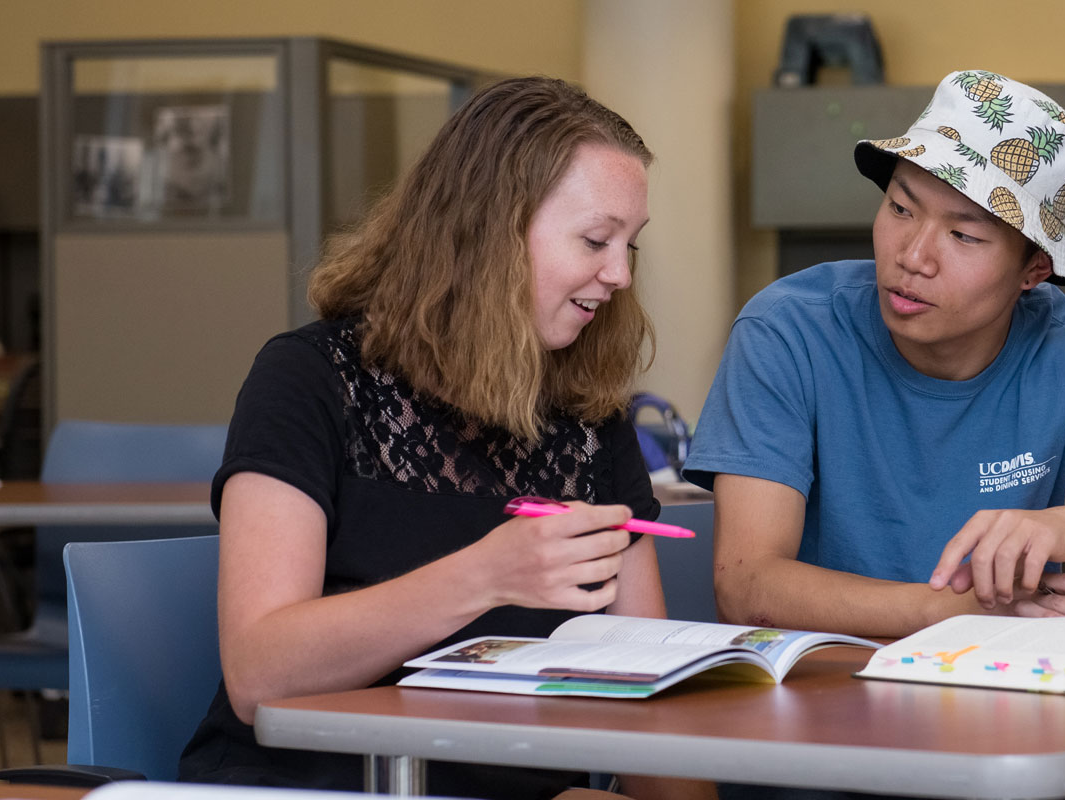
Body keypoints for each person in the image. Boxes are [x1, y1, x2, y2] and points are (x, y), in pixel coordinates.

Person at [682, 72, 1065, 798]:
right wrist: (950, 614)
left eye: (963, 234)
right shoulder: (788, 331)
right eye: (900, 207)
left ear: (1033, 272)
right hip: (821, 735)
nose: (913, 254)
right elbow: (748, 584)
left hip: (1014, 722)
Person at [179, 76, 708, 800]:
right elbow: (257, 672)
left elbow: (645, 690)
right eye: (594, 239)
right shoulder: (312, 379)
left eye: (630, 246)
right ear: (488, 229)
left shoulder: (586, 418)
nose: (618, 274)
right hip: (312, 785)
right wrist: (486, 575)